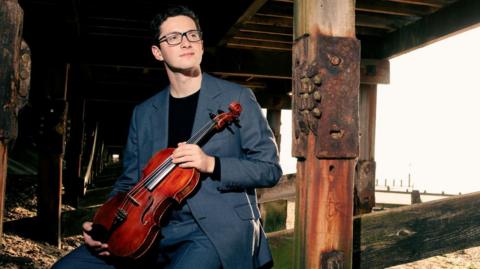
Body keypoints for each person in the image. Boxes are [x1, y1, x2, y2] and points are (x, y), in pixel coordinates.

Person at [52, 5, 282, 269]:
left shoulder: (237, 97)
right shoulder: (144, 113)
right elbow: (129, 181)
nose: (185, 42)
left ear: (202, 45)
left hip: (214, 232)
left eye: (191, 35)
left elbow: (269, 169)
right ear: (157, 52)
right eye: (173, 37)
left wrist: (211, 164)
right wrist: (104, 223)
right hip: (149, 230)